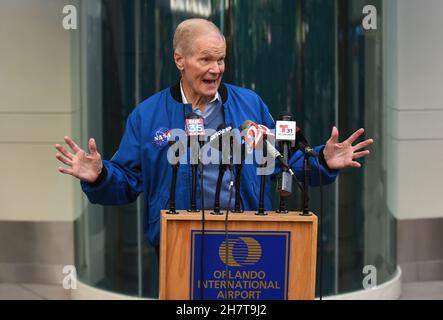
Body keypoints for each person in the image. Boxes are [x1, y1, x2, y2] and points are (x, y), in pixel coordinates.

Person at [55, 18, 373, 249]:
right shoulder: (148, 115)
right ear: (180, 60)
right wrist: (98, 176)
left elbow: (282, 164)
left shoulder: (250, 105)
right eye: (206, 59)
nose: (216, 68)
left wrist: (323, 161)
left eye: (220, 59)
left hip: (249, 239)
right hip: (178, 242)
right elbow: (126, 181)